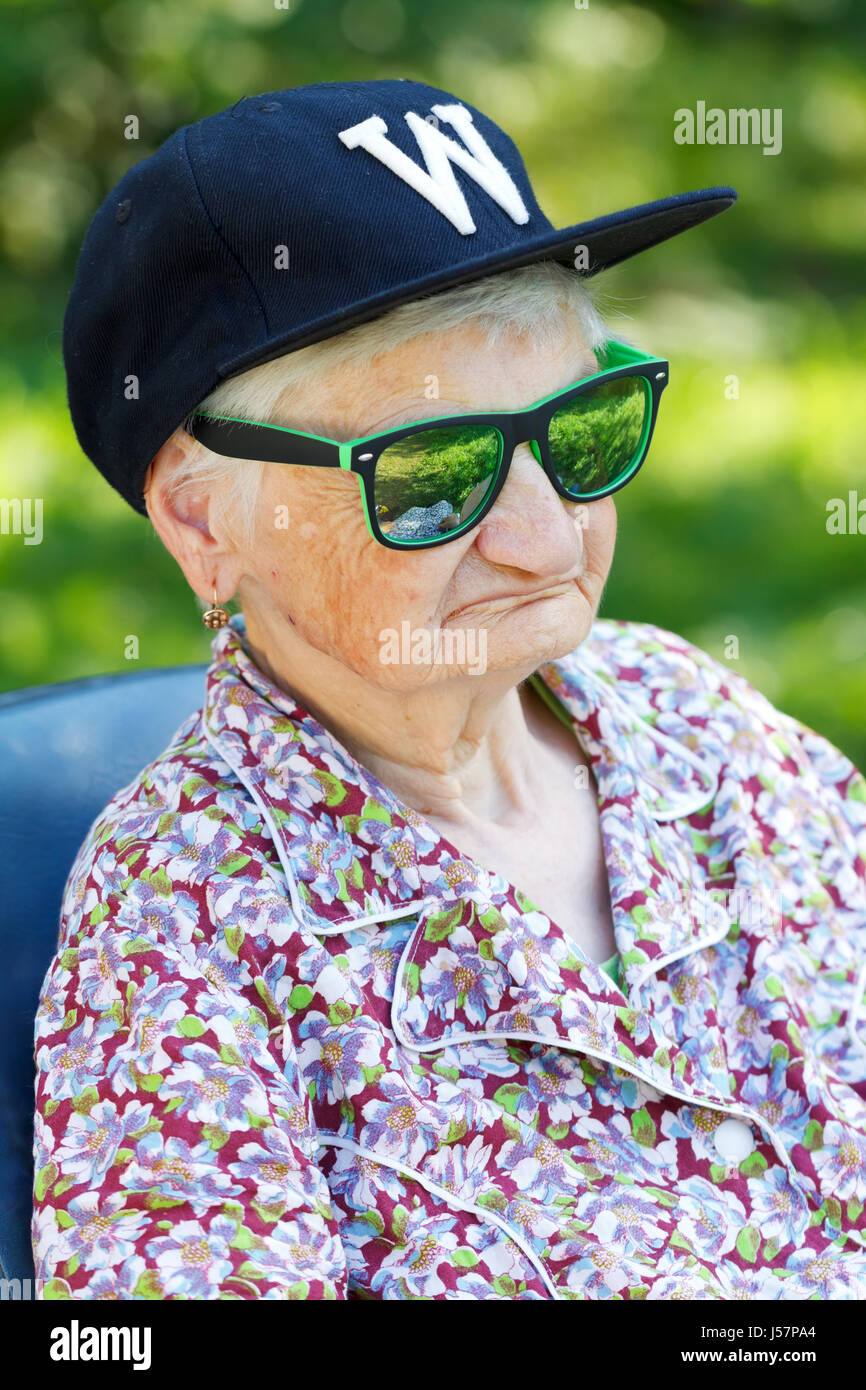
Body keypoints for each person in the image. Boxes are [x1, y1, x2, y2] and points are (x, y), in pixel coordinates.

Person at [32, 78, 866, 1300]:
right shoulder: (187, 914)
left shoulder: (693, 712)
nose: (542, 537)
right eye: (433, 471)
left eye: (581, 426)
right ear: (203, 519)